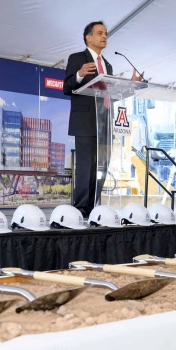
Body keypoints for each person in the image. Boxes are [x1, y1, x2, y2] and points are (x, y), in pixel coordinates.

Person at [63, 21, 143, 217]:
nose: (104, 36)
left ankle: (94, 208)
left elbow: (110, 93)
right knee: (85, 169)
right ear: (88, 37)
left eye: (105, 33)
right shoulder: (77, 58)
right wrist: (80, 74)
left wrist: (130, 85)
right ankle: (80, 210)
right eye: (100, 33)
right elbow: (67, 87)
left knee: (101, 170)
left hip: (104, 124)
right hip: (84, 123)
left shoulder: (107, 64)